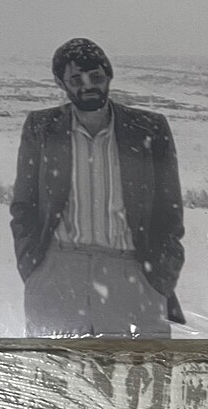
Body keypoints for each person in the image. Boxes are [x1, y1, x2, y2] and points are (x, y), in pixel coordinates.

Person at [10, 38, 185, 338]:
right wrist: (34, 269)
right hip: (58, 271)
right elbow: (24, 205)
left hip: (132, 270)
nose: (88, 86)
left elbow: (169, 210)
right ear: (61, 83)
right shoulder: (42, 127)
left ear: (109, 76)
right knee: (56, 362)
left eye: (96, 77)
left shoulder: (149, 128)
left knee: (137, 363)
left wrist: (161, 277)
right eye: (76, 79)